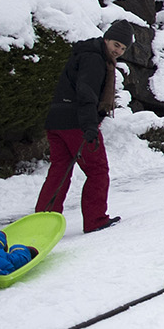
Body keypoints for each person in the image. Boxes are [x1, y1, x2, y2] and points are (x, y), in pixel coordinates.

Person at [35, 18, 134, 234]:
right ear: (106, 39)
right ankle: (95, 219)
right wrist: (90, 126)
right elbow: (86, 93)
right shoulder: (95, 59)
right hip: (76, 123)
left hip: (56, 121)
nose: (118, 50)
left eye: (123, 48)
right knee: (98, 170)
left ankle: (42, 222)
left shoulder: (86, 53)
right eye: (116, 44)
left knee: (60, 170)